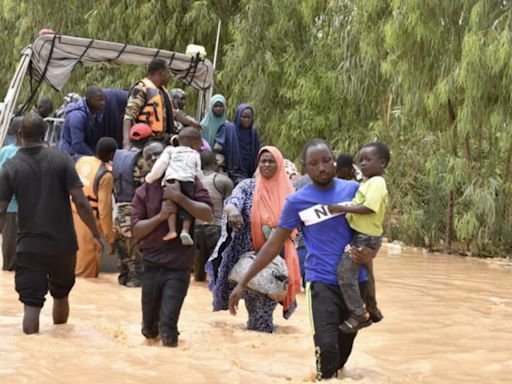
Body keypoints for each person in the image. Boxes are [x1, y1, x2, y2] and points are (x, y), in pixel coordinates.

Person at [228, 139, 379, 380]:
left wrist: (371, 253)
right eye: (314, 163)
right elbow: (273, 244)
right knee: (326, 347)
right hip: (321, 282)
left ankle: (336, 372)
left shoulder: (352, 191)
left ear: (334, 161)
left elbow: (371, 230)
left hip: (355, 280)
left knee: (344, 348)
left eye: (326, 161)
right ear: (304, 167)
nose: (322, 168)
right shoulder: (297, 201)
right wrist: (243, 283)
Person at [0, 114, 102, 334]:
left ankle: (33, 355)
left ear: (19, 135)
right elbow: (81, 202)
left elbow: (1, 211)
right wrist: (97, 234)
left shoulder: (10, 167)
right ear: (44, 134)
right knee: (61, 294)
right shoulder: (62, 159)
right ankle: (60, 343)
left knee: (31, 305)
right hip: (63, 245)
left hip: (29, 247)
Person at [206, 146, 301, 333]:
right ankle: (260, 345)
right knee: (255, 310)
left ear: (279, 164)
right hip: (248, 259)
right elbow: (234, 200)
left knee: (263, 310)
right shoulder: (248, 187)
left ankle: (261, 343)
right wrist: (232, 210)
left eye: (271, 161)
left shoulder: (290, 194)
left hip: (277, 261)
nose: (266, 164)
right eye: (263, 161)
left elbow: (299, 228)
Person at [131, 156, 213, 348]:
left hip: (178, 266)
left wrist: (180, 198)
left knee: (168, 327)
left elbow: (208, 214)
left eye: (157, 155)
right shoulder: (143, 191)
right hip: (150, 264)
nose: (153, 159)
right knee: (149, 330)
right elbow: (136, 230)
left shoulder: (190, 185)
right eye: (149, 156)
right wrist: (160, 217)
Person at [327, 142, 389, 332]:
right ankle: (372, 308)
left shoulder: (377, 183)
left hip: (364, 237)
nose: (363, 163)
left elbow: (368, 207)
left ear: (383, 163)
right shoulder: (368, 183)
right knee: (366, 273)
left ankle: (359, 313)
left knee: (345, 273)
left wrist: (341, 208)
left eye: (368, 160)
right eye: (361, 160)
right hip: (365, 235)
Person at [112, 124, 160, 287]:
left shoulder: (118, 156)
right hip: (133, 211)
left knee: (122, 248)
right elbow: (148, 185)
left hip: (118, 210)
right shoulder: (142, 160)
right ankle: (134, 278)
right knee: (134, 248)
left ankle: (124, 276)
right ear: (148, 140)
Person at [145, 127, 202, 245]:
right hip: (188, 181)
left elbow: (160, 165)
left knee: (170, 205)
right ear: (195, 143)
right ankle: (185, 230)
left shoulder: (170, 150)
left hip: (171, 180)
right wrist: (200, 184)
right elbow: (198, 172)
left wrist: (150, 177)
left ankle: (172, 230)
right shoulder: (195, 154)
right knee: (187, 206)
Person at [73, 137, 118, 277]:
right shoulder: (106, 175)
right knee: (85, 271)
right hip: (89, 221)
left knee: (72, 263)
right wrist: (110, 238)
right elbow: (104, 210)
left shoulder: (81, 161)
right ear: (111, 155)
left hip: (71, 215)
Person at [193, 150, 233, 281]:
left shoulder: (193, 178)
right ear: (216, 163)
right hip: (215, 226)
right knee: (217, 264)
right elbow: (229, 207)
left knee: (198, 265)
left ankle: (199, 278)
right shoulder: (224, 181)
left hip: (196, 226)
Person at [123, 58, 175, 149]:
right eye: (168, 72)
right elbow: (129, 116)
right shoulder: (141, 88)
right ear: (161, 72)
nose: (169, 76)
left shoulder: (162, 91)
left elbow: (173, 113)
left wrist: (191, 122)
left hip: (161, 141)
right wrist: (126, 142)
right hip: (145, 141)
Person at [214, 103, 260, 184]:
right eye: (244, 117)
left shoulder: (253, 133)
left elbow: (257, 153)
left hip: (250, 173)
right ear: (238, 116)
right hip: (231, 172)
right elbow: (218, 150)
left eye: (249, 118)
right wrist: (221, 170)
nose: (246, 120)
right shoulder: (228, 129)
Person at [0, 117, 22, 271]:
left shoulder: (37, 151)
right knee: (9, 248)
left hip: (30, 207)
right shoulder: (6, 152)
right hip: (10, 206)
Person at [59, 86, 105, 159]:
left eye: (103, 100)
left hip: (83, 152)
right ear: (89, 99)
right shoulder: (77, 116)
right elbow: (77, 144)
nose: (103, 103)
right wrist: (95, 157)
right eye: (99, 100)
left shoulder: (97, 112)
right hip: (69, 155)